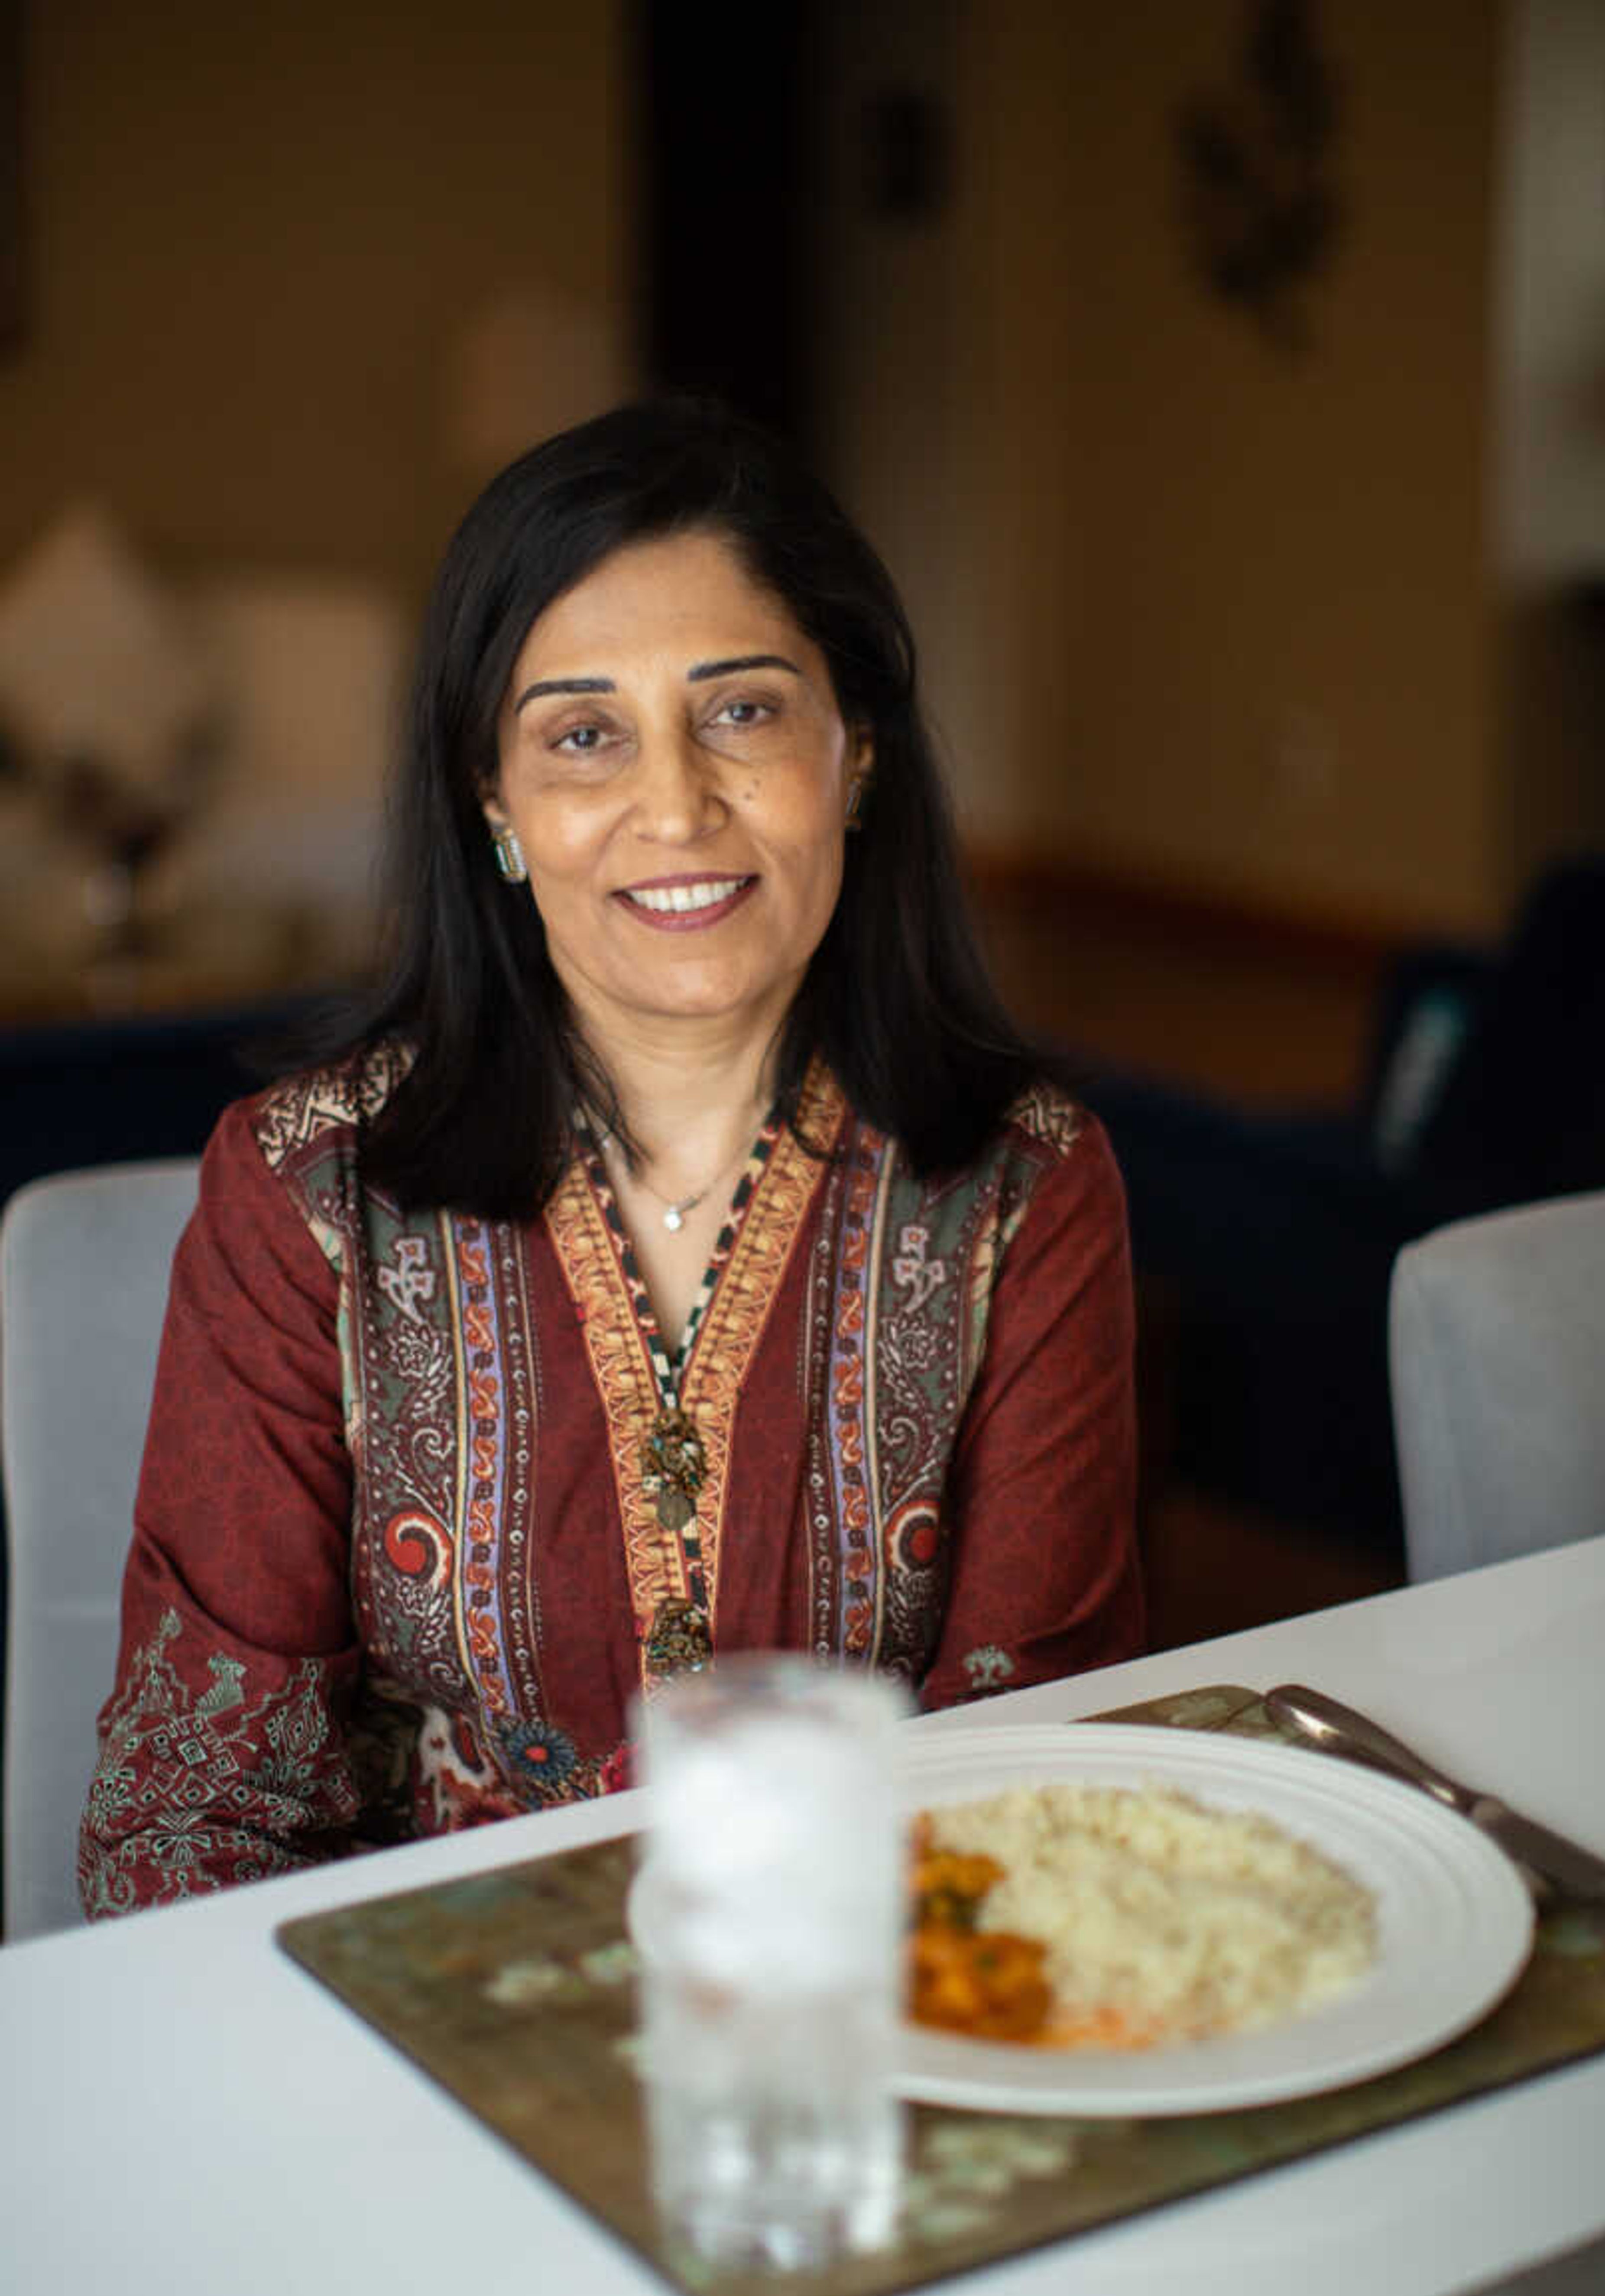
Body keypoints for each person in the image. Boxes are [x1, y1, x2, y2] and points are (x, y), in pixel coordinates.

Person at [79, 396, 1143, 1918]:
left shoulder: (1025, 1192)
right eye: (585, 734)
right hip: (409, 2051)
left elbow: (1039, 1782)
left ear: (855, 756)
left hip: (857, 2035)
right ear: (495, 801)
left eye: (743, 710)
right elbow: (191, 1827)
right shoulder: (306, 1199)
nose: (674, 804)